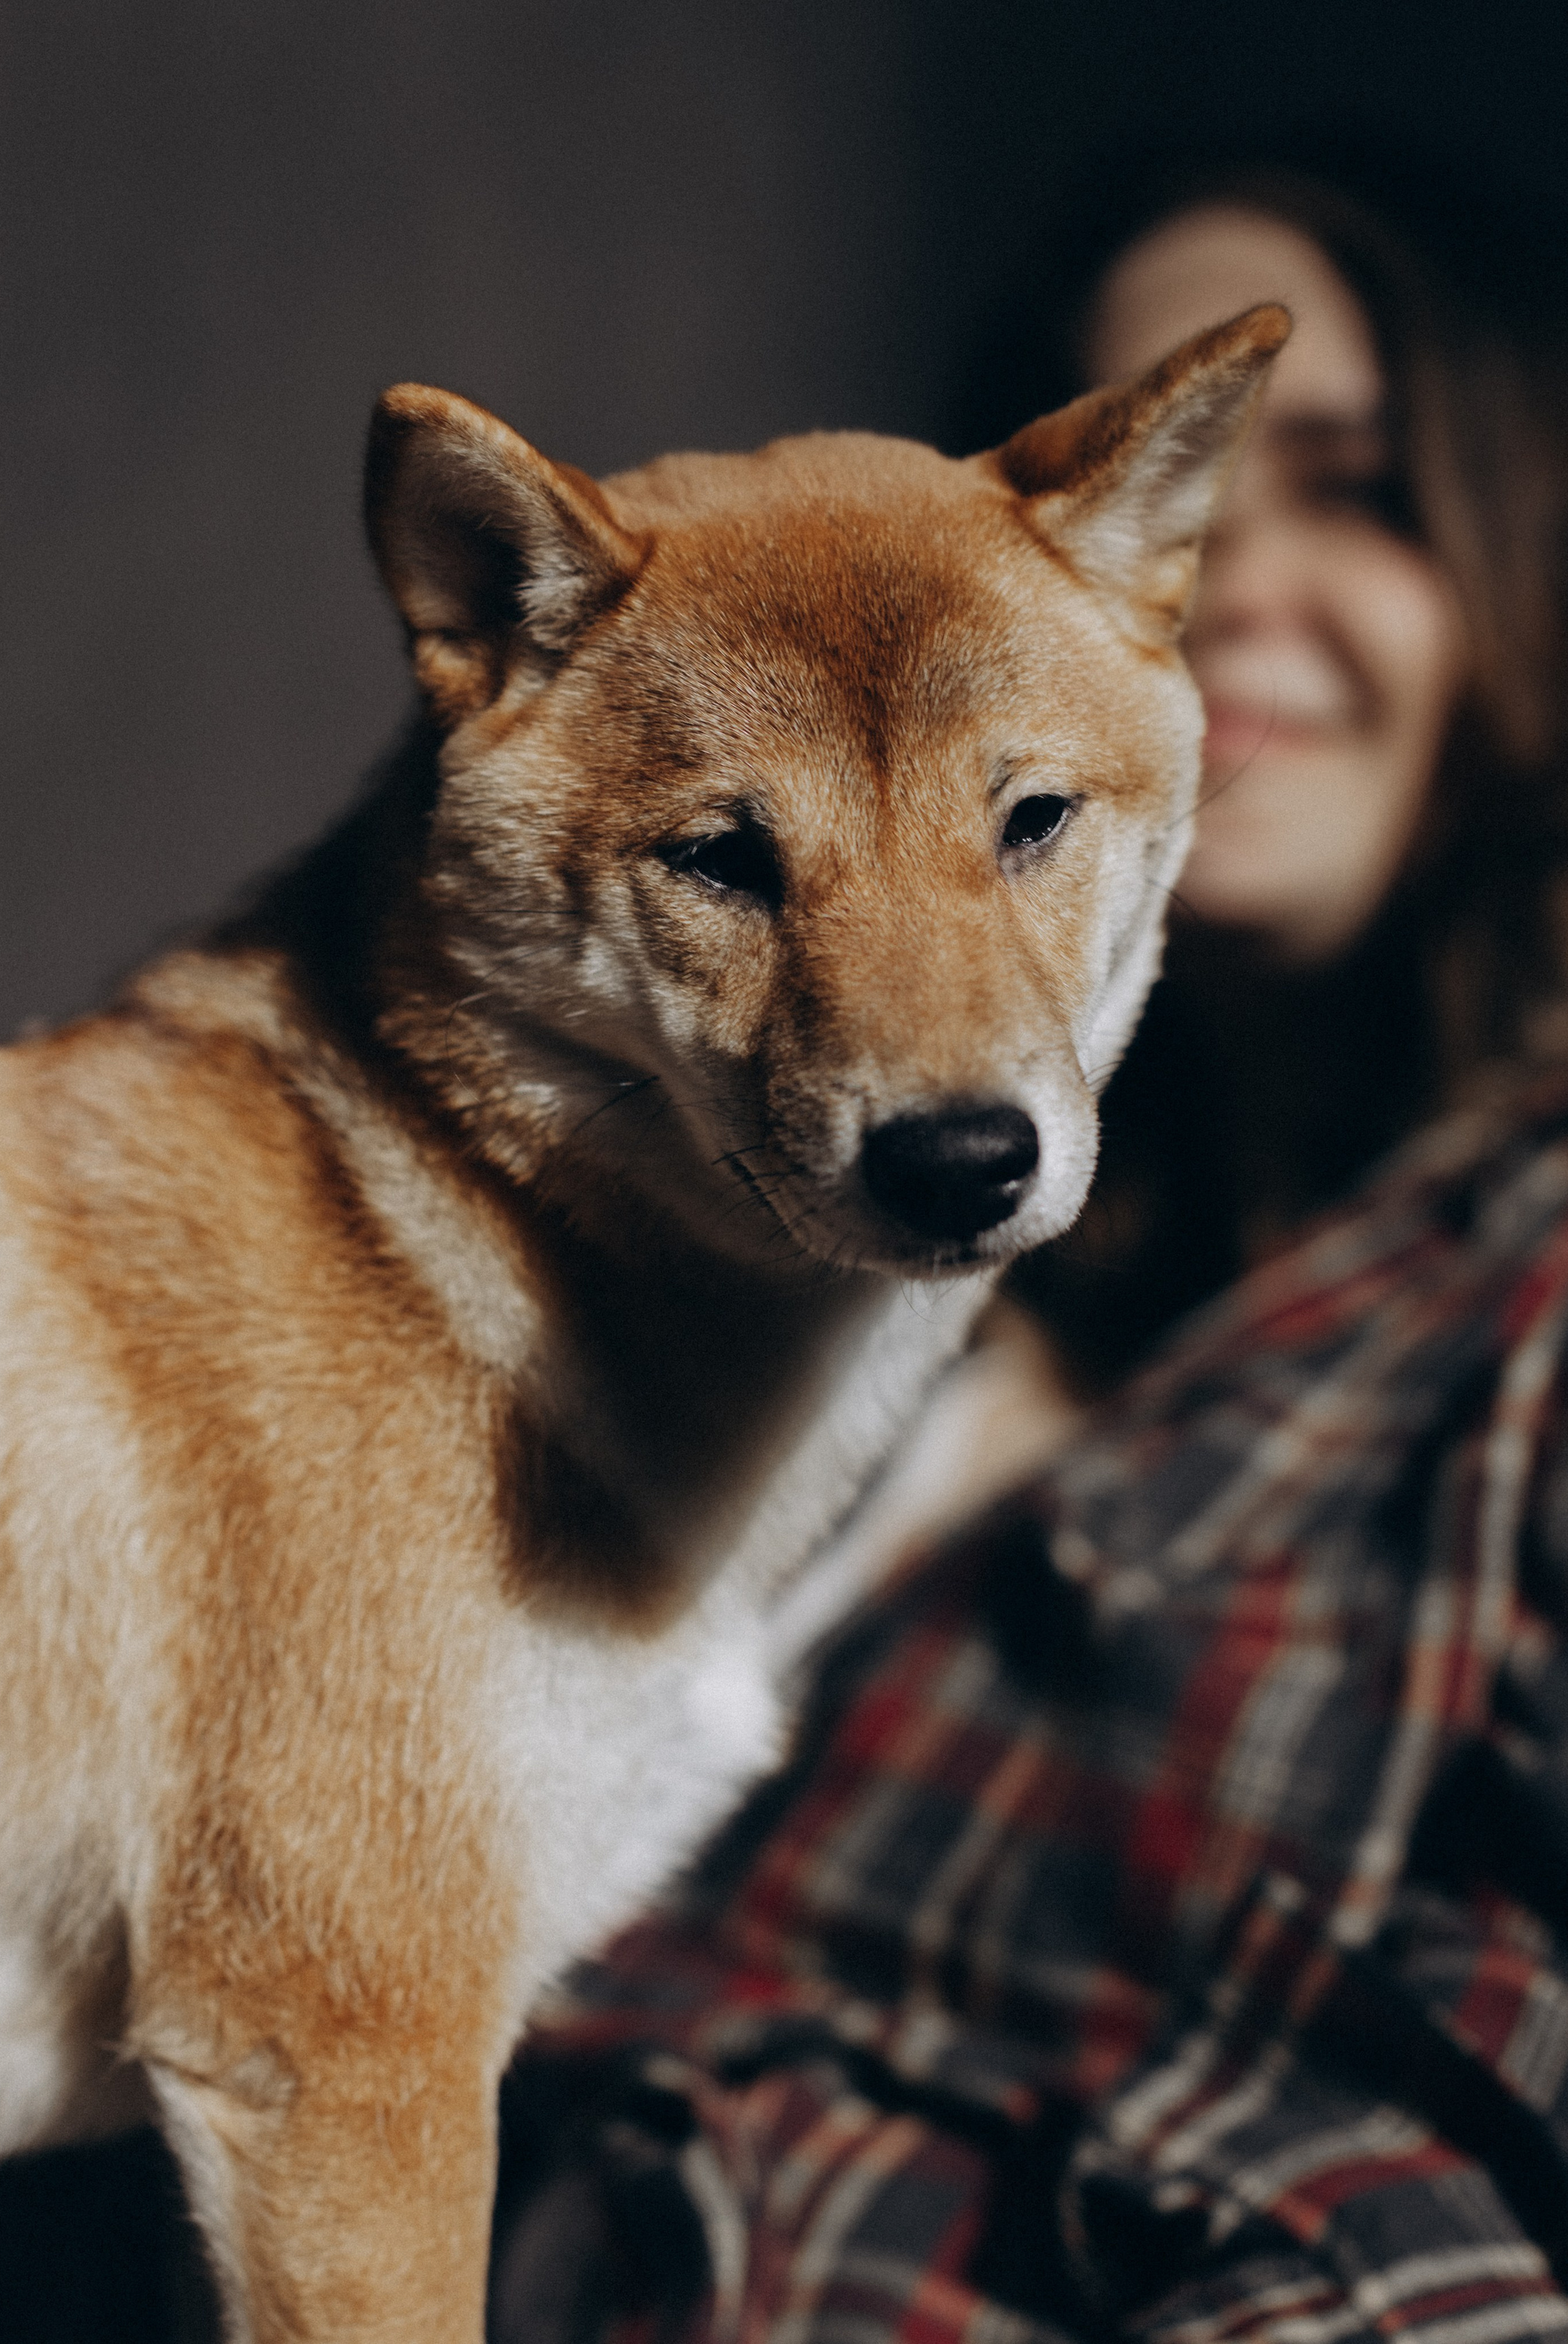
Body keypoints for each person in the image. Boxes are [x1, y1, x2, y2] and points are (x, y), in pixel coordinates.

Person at [488, 136, 1568, 2344]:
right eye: (1126, 516)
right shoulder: (882, 1287)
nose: (1204, 593)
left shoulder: (1531, 1279)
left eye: (1347, 488)